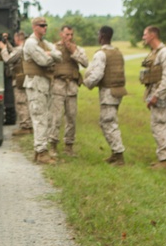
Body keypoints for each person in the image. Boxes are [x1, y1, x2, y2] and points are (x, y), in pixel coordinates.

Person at [82, 26, 127, 165]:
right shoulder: (117, 52)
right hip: (118, 91)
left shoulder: (101, 54)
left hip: (108, 92)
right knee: (110, 121)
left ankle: (118, 155)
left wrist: (86, 83)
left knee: (108, 122)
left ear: (102, 36)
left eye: (98, 34)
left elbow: (97, 74)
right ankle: (115, 154)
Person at [23, 17, 62, 164]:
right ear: (34, 27)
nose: (45, 27)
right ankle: (41, 152)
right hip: (35, 85)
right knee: (40, 118)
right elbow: (43, 61)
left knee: (45, 117)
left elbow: (59, 55)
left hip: (43, 85)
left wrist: (50, 54)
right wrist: (50, 55)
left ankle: (40, 150)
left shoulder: (43, 43)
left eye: (46, 25)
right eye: (42, 25)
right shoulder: (31, 43)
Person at [140, 25, 166, 170]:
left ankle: (165, 161)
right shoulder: (155, 52)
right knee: (162, 125)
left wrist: (156, 96)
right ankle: (165, 158)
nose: (143, 37)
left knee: (160, 125)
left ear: (153, 35)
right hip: (156, 93)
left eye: (145, 34)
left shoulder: (165, 53)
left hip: (161, 95)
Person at [48, 25, 88, 155]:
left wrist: (73, 52)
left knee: (71, 117)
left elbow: (86, 63)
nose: (69, 37)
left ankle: (69, 146)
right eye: (67, 34)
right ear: (61, 34)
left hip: (71, 87)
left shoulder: (77, 49)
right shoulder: (54, 48)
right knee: (56, 117)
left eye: (71, 34)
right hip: (58, 86)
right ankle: (53, 145)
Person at [3, 31, 32, 135]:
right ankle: (28, 125)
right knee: (25, 102)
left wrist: (2, 49)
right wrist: (6, 43)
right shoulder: (23, 48)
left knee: (21, 102)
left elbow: (9, 59)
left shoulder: (21, 49)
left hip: (20, 79)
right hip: (24, 78)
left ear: (18, 39)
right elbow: (13, 51)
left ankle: (25, 127)